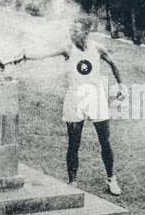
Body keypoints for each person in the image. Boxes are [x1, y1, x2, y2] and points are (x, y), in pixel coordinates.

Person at [31, 17, 123, 197]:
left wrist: (121, 85)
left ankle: (111, 179)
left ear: (86, 33)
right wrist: (23, 56)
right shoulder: (67, 48)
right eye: (70, 31)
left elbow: (113, 64)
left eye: (76, 31)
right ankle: (72, 182)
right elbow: (43, 54)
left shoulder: (97, 47)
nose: (72, 34)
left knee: (105, 141)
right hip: (75, 98)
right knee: (74, 143)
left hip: (96, 98)